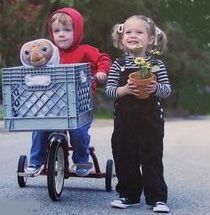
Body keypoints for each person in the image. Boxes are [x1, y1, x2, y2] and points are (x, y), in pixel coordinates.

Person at [25, 7, 111, 177]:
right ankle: (36, 161)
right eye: (56, 31)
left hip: (79, 104)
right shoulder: (50, 54)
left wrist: (101, 71)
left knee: (78, 131)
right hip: (52, 105)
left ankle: (81, 159)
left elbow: (103, 58)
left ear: (77, 31)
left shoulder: (85, 50)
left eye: (67, 30)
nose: (61, 34)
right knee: (39, 128)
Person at [105, 15, 171, 213]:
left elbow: (167, 90)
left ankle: (157, 198)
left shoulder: (156, 65)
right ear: (122, 37)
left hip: (151, 120)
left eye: (139, 32)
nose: (133, 35)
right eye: (129, 32)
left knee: (151, 158)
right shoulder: (118, 64)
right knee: (124, 156)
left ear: (150, 39)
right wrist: (123, 90)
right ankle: (129, 195)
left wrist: (155, 87)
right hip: (125, 120)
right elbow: (109, 90)